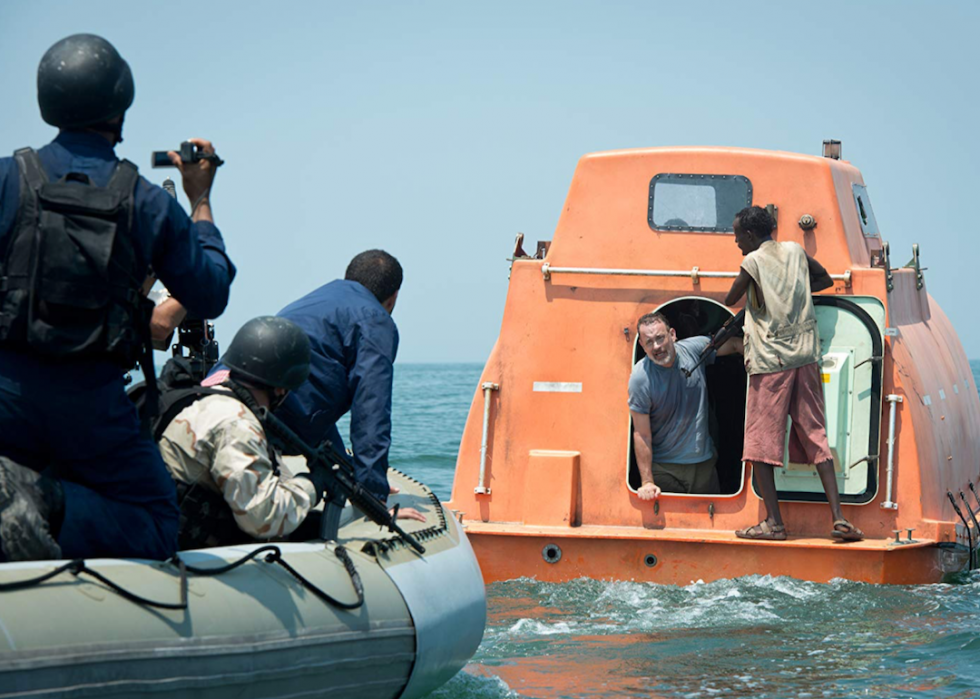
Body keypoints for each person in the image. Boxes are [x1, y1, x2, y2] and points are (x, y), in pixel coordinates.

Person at [0, 34, 235, 562]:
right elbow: (211, 291)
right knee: (156, 520)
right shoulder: (147, 204)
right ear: (120, 107)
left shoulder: (6, 181)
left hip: (5, 394)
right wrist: (200, 199)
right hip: (91, 403)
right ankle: (43, 499)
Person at [159, 316, 423, 549]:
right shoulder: (237, 423)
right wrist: (313, 484)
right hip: (174, 545)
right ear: (281, 388)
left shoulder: (209, 400)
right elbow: (262, 518)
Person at [723, 205, 863, 542]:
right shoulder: (795, 251)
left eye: (738, 234)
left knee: (760, 444)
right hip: (805, 357)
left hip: (771, 363)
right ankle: (839, 518)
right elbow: (825, 280)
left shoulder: (752, 261)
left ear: (752, 235)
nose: (736, 241)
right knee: (816, 435)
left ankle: (774, 523)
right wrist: (793, 287)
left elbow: (730, 298)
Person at [629, 312, 742, 499]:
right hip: (665, 469)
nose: (656, 346)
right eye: (649, 342)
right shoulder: (640, 378)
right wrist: (647, 482)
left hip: (703, 465)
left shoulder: (693, 349)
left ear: (672, 335)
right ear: (642, 345)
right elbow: (641, 433)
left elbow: (735, 344)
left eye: (660, 338)